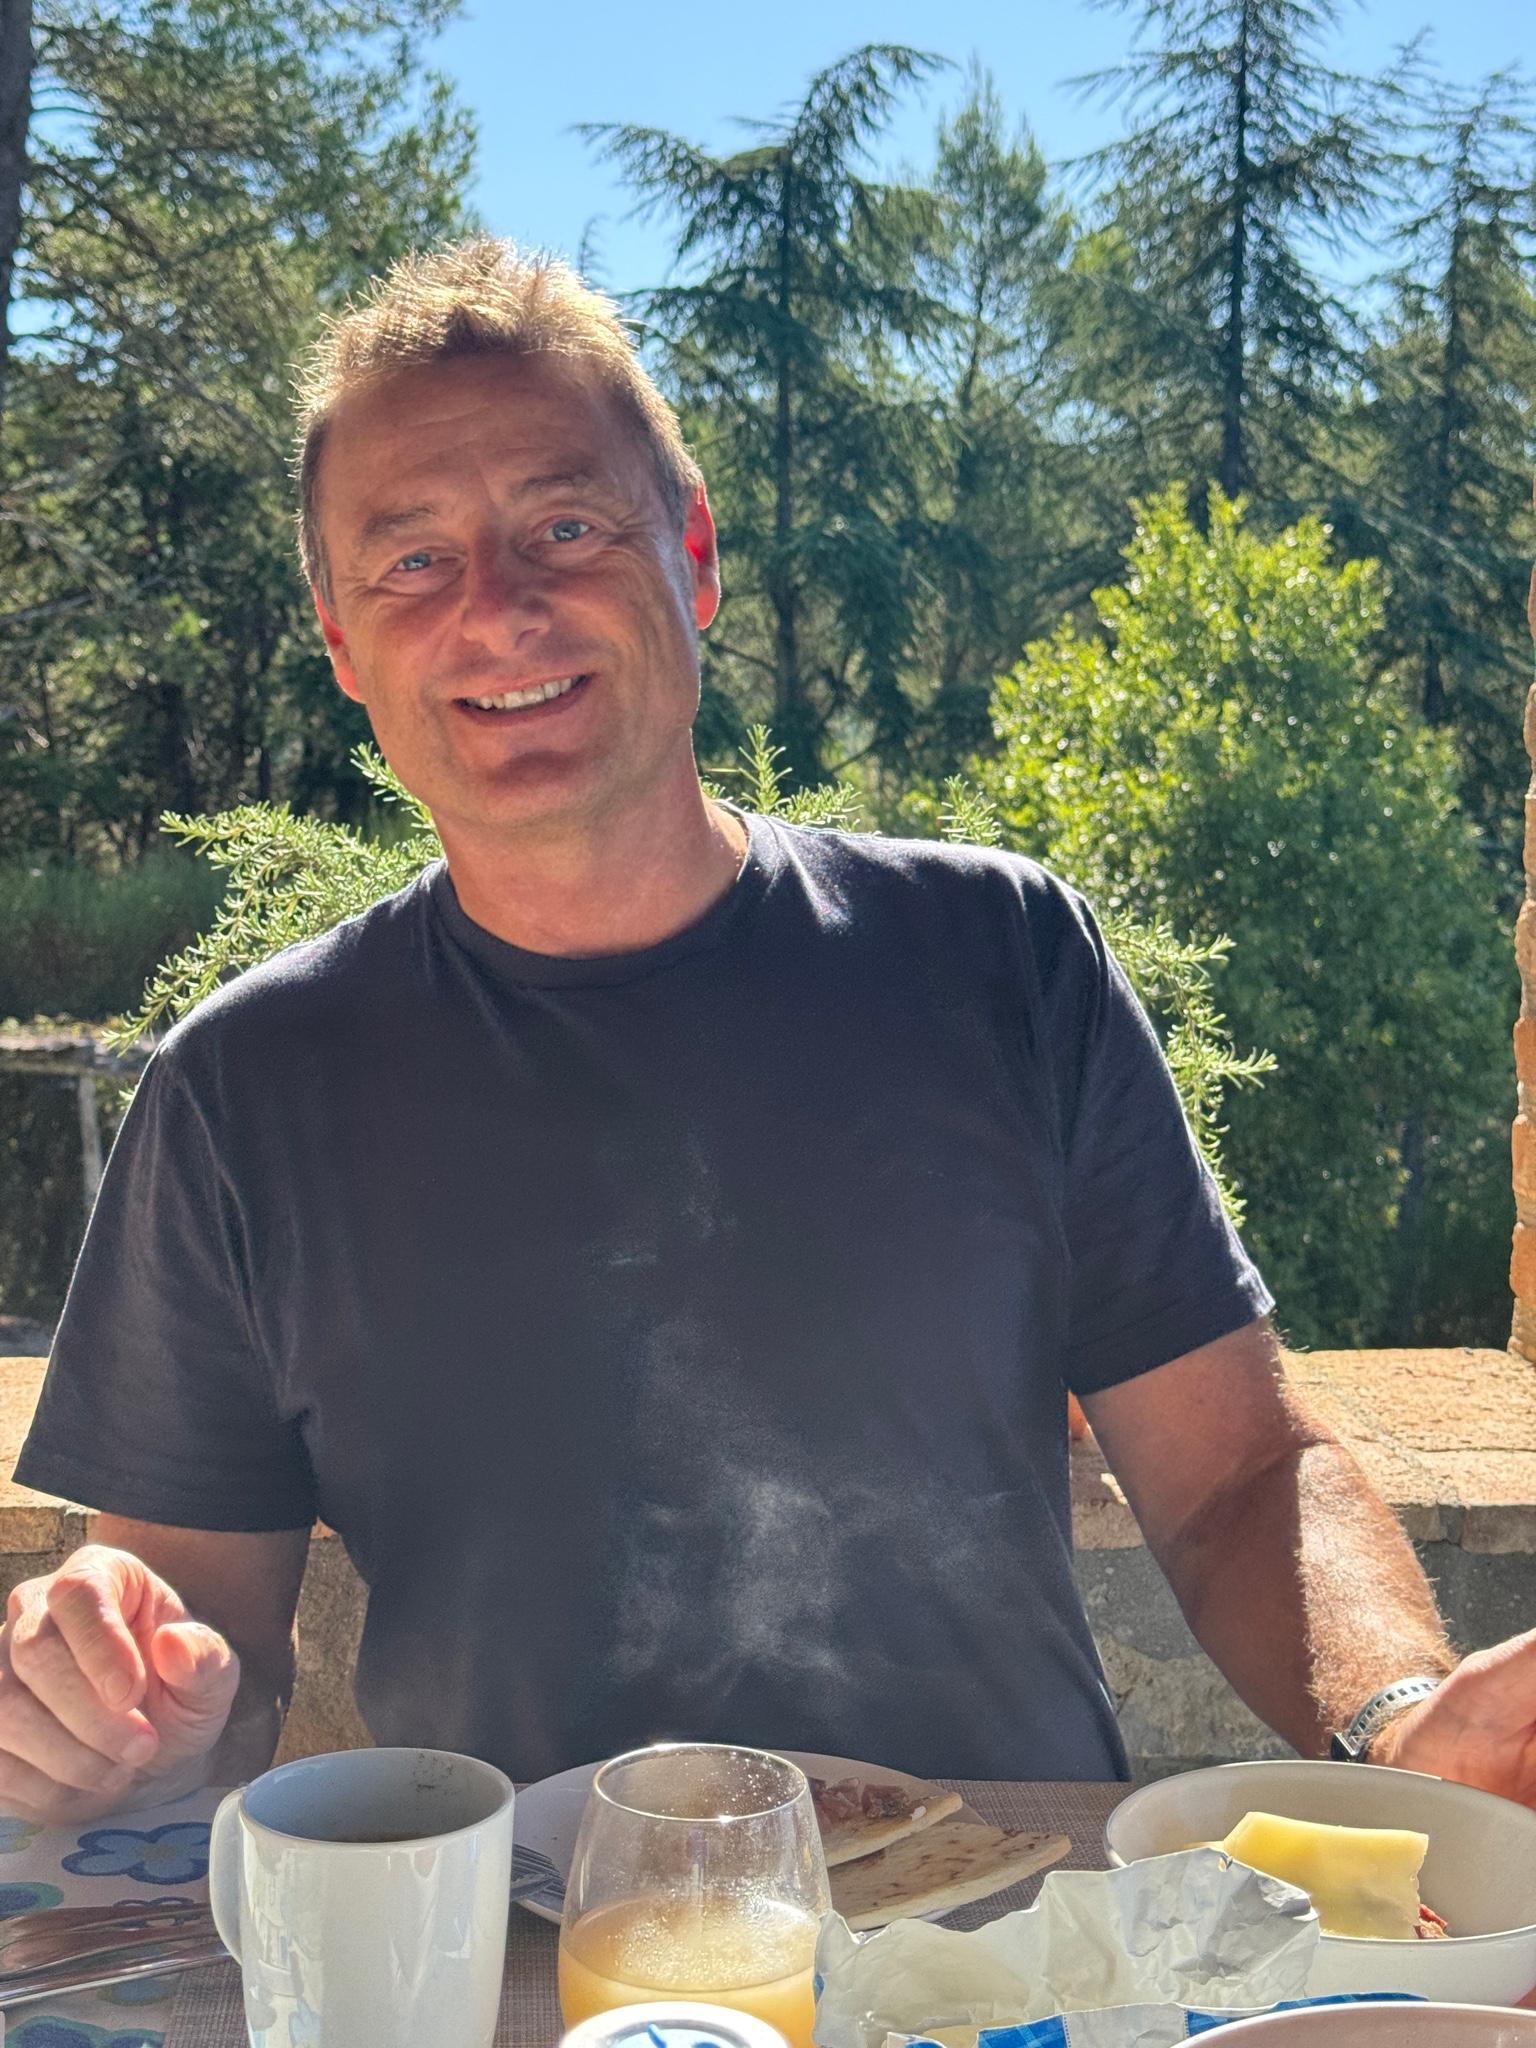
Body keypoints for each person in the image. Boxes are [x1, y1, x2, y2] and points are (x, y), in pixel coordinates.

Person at [5, 239, 1532, 1827]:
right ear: (342, 645)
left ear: (693, 556)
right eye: (413, 561)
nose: (500, 609)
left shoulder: (1000, 958)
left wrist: (1398, 1722)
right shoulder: (242, 1088)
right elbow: (200, 1641)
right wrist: (119, 1711)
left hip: (1016, 1926)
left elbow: (1237, 1479)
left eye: (566, 526)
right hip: (522, 1937)